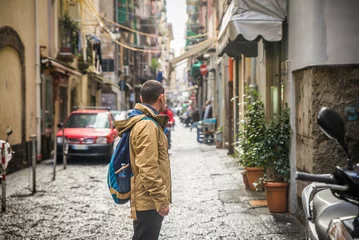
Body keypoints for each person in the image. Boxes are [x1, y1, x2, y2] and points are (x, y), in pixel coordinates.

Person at [116, 80, 171, 240]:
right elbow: (147, 167)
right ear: (161, 98)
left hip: (146, 199)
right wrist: (161, 200)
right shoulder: (147, 125)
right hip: (149, 201)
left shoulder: (143, 121)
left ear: (141, 98)